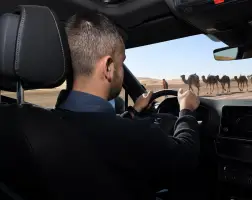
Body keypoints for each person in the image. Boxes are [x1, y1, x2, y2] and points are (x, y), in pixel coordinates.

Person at [55, 13, 201, 200]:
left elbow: (99, 127)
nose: (122, 70)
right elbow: (185, 158)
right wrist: (186, 111)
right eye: (122, 62)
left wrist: (134, 111)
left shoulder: (43, 122)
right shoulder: (135, 134)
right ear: (108, 67)